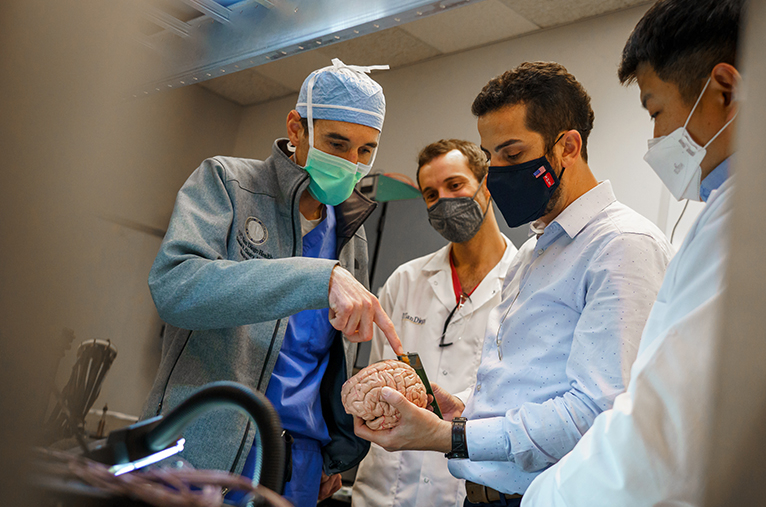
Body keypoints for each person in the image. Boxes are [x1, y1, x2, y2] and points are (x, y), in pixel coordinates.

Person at [353, 62, 673, 506]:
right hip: (481, 494)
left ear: (567, 147)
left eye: (513, 154)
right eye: (492, 157)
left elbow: (596, 413)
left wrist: (454, 436)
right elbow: (523, 384)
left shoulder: (621, 246)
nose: (498, 172)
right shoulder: (534, 250)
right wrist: (462, 408)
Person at [140, 59, 405, 506]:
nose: (351, 163)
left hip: (298, 462)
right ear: (296, 128)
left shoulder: (350, 233)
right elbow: (176, 286)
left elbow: (330, 356)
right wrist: (318, 276)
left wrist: (329, 451)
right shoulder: (228, 183)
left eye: (365, 150)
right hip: (206, 450)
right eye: (337, 143)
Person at [521, 1, 744, 505]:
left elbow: (660, 425)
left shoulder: (642, 241)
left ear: (723, 90)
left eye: (657, 112)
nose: (657, 138)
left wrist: (544, 497)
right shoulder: (731, 213)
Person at [352, 139, 518, 507]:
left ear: (485, 184)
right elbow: (379, 381)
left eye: (455, 185)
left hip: (461, 488)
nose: (443, 200)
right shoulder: (405, 281)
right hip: (383, 486)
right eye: (431, 194)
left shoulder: (523, 285)